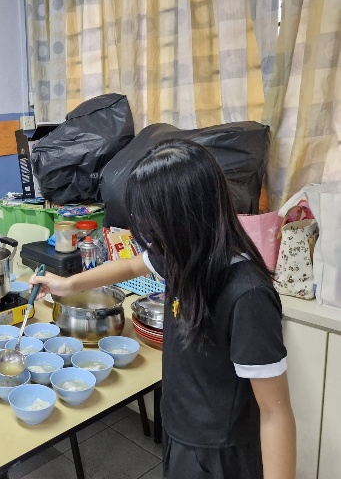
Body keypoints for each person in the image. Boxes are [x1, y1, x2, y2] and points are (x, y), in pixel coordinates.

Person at [30, 140, 296, 479]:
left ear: (186, 218)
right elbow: (128, 268)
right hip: (178, 428)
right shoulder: (182, 255)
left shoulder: (247, 295)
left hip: (219, 453)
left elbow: (276, 415)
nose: (148, 236)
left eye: (152, 223)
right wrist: (67, 285)